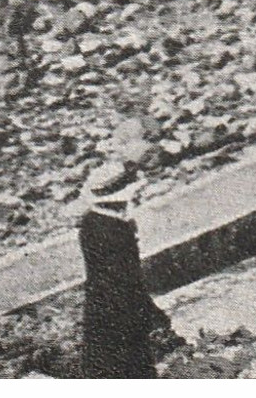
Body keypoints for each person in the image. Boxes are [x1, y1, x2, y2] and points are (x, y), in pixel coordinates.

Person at [76, 161, 170, 378]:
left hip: (105, 310)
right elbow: (123, 280)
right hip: (119, 312)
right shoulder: (112, 231)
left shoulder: (94, 222)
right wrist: (147, 312)